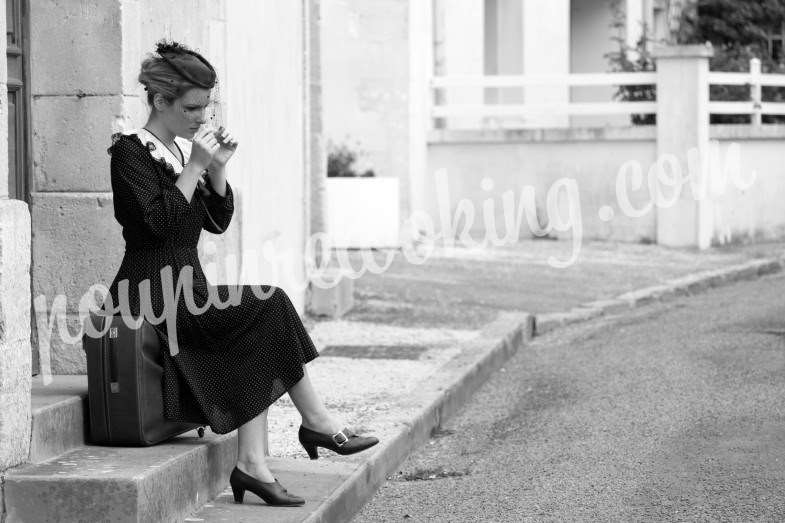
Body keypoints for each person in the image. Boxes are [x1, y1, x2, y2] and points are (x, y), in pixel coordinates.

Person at [102, 40, 378, 508]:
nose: (200, 118)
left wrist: (217, 171)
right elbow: (156, 227)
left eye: (205, 107)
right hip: (149, 292)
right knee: (264, 307)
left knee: (263, 313)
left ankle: (255, 463)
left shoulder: (177, 151)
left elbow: (215, 220)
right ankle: (313, 426)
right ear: (160, 101)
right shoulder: (130, 152)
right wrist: (194, 166)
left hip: (187, 288)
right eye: (191, 107)